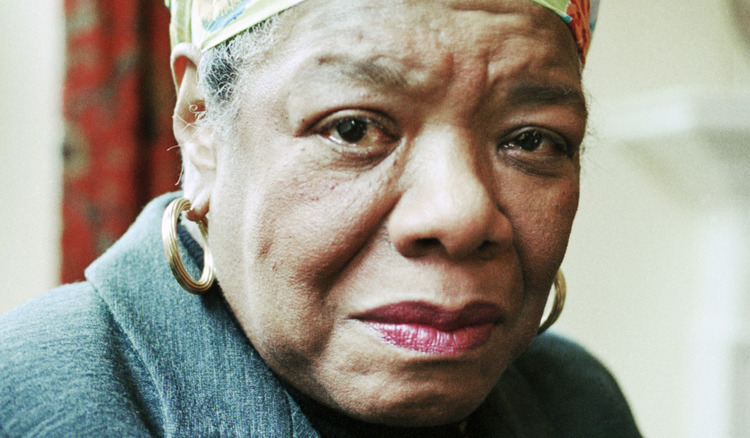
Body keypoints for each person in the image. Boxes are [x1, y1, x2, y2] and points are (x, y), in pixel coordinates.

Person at [0, 0, 642, 436]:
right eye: (355, 127)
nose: (462, 214)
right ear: (201, 125)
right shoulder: (42, 396)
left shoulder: (575, 403)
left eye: (530, 140)